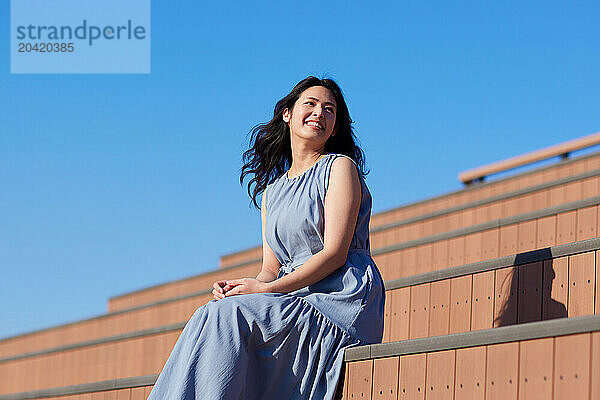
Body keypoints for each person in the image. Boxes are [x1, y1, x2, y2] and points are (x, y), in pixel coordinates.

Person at [147, 76, 385, 400]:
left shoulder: (339, 167)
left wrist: (267, 290)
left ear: (334, 127)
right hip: (291, 294)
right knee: (213, 311)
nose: (320, 113)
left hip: (338, 297)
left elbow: (335, 254)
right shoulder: (272, 194)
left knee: (227, 317)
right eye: (311, 104)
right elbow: (269, 270)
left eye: (330, 110)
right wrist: (240, 289)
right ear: (288, 114)